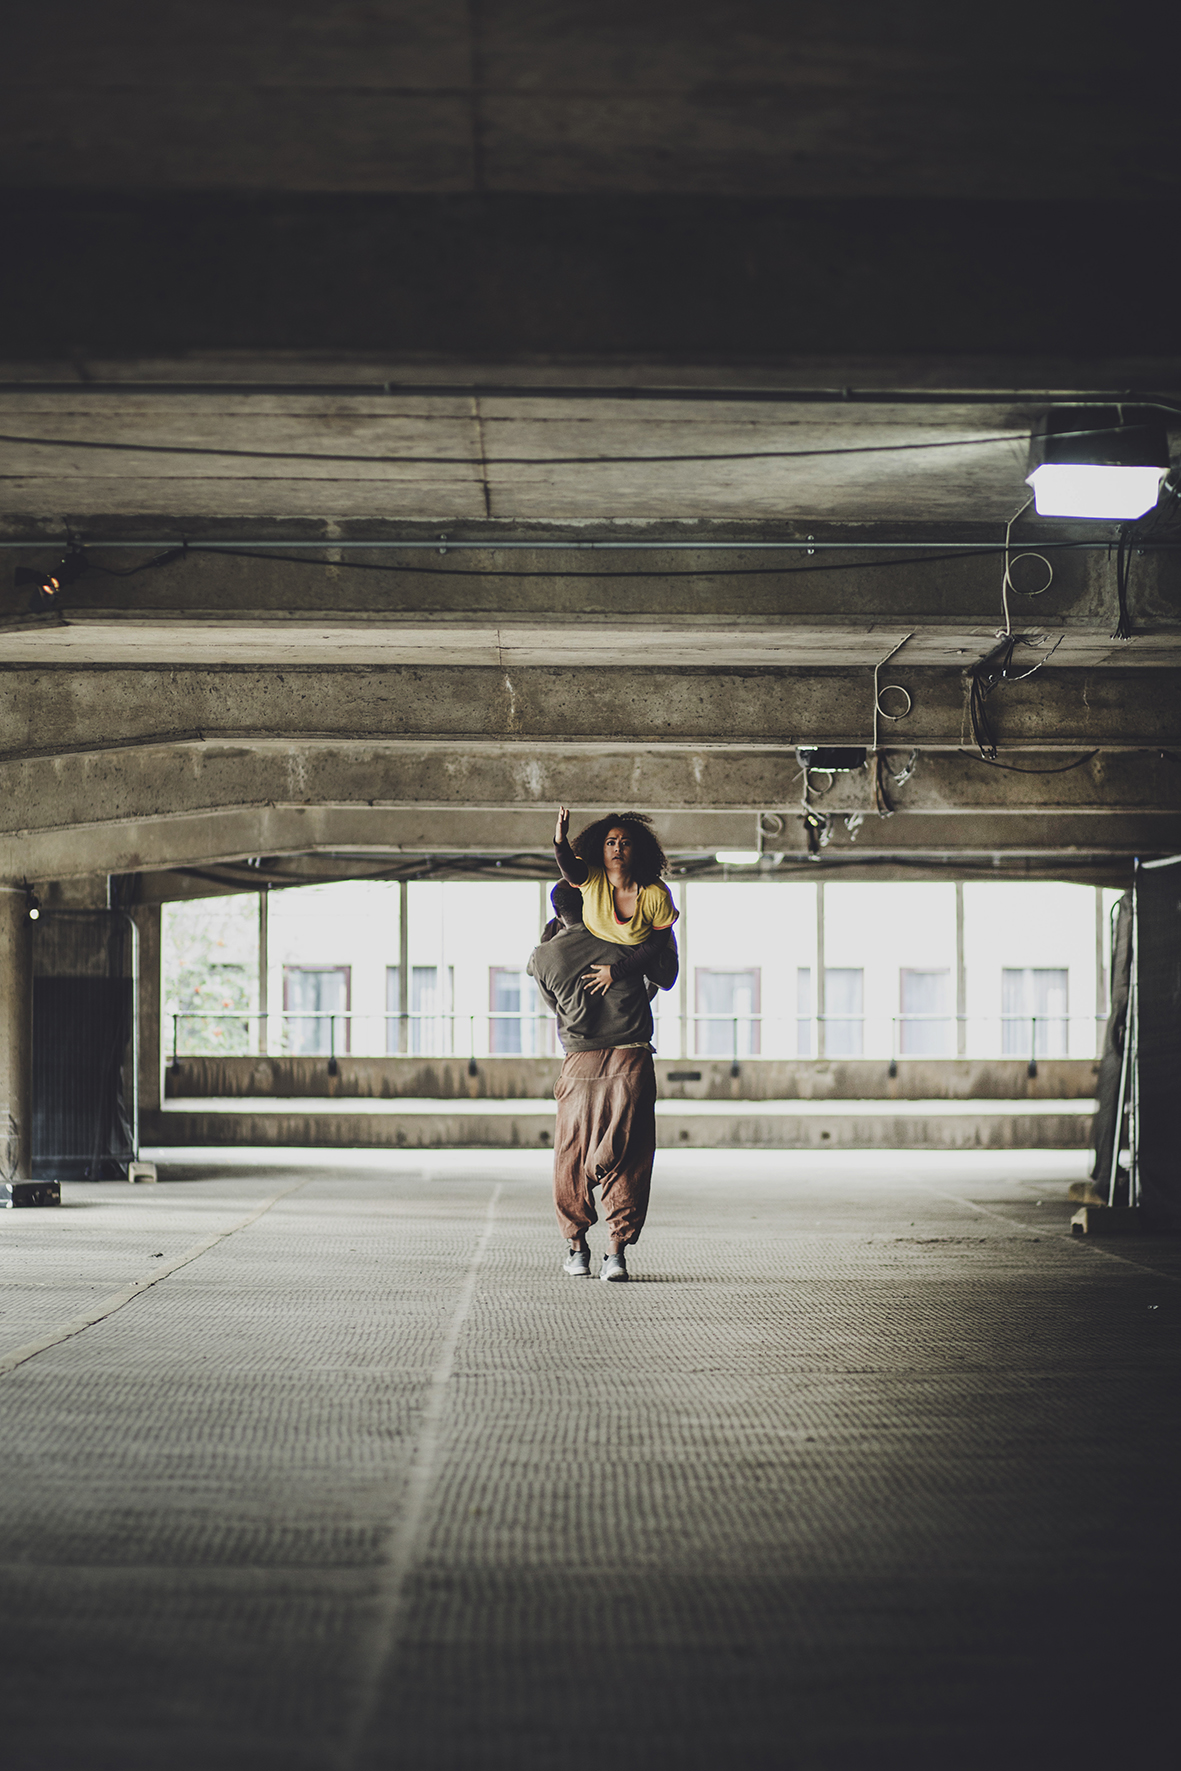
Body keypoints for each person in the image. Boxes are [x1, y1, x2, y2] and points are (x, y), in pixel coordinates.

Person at [528, 880, 678, 1282]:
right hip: (631, 1057)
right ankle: (616, 1255)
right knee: (630, 1156)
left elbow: (555, 1006)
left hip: (579, 1063)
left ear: (558, 912)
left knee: (570, 1155)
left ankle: (577, 1250)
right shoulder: (626, 938)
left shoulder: (544, 955)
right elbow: (661, 979)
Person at [552, 807, 678, 999]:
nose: (618, 848)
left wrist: (615, 972)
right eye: (610, 843)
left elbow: (655, 944)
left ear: (637, 851)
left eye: (625, 843)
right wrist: (560, 840)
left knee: (665, 978)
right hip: (602, 936)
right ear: (601, 849)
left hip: (646, 940)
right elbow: (570, 868)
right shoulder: (591, 877)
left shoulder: (657, 893)